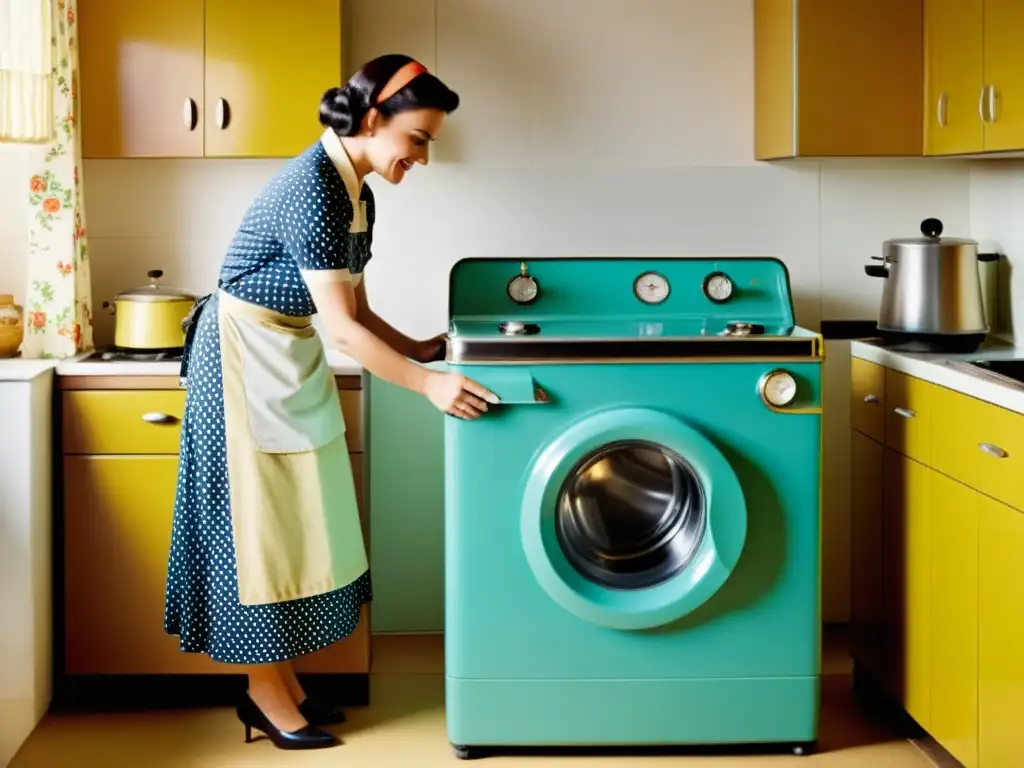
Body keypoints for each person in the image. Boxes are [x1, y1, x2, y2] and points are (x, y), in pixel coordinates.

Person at [163, 53, 499, 751]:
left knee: (288, 528)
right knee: (254, 533)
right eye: (419, 140)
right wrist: (427, 385)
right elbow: (342, 328)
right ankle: (263, 691)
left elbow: (357, 308)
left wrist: (418, 348)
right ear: (374, 120)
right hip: (240, 358)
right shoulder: (314, 188)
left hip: (282, 351)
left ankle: (282, 685)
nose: (424, 158)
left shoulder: (357, 192)